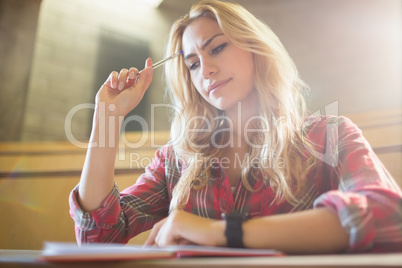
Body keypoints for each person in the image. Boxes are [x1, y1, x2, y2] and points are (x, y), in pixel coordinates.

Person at [69, 0, 402, 253]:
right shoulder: (175, 160)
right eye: (193, 64)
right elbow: (99, 236)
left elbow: (388, 215)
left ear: (255, 48)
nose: (206, 71)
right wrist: (107, 117)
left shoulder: (328, 136)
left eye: (217, 48)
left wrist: (221, 233)